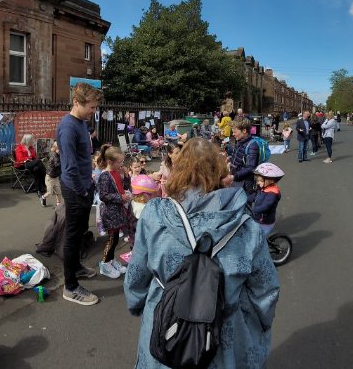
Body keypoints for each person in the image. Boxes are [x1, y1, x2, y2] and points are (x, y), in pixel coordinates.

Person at [123, 137, 279, 367]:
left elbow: (136, 275)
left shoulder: (154, 215)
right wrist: (262, 324)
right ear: (220, 172)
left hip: (167, 324)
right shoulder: (246, 226)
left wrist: (139, 304)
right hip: (222, 331)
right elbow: (266, 290)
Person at [57, 82, 102, 306]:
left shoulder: (81, 123)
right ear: (77, 103)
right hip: (76, 190)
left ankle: (75, 267)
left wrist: (90, 180)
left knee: (81, 230)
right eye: (91, 107)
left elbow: (84, 157)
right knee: (73, 236)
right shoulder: (68, 127)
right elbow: (69, 167)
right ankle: (70, 286)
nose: (94, 111)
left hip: (84, 186)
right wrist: (83, 190)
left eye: (95, 107)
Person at [94, 145, 134, 279]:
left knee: (116, 239)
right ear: (110, 162)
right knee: (112, 239)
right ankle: (105, 264)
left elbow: (125, 187)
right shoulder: (105, 176)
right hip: (110, 213)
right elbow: (103, 196)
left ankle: (111, 261)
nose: (122, 164)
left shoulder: (117, 173)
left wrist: (127, 176)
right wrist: (120, 197)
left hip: (118, 211)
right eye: (120, 162)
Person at [226, 118, 260, 196]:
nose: (233, 134)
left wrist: (233, 177)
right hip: (237, 179)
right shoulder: (240, 141)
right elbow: (240, 156)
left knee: (243, 204)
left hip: (245, 183)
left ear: (244, 131)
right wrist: (230, 160)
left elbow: (250, 168)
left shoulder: (252, 145)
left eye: (235, 132)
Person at [251, 162, 284, 234]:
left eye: (260, 181)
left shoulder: (272, 194)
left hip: (264, 223)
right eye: (257, 180)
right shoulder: (263, 189)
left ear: (268, 181)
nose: (257, 183)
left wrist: (253, 210)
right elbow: (255, 197)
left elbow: (265, 206)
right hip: (258, 218)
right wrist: (244, 197)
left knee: (259, 241)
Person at [42, 140, 63, 207]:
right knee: (49, 193)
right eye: (58, 149)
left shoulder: (59, 155)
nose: (60, 150)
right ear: (55, 149)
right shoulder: (54, 156)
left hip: (55, 177)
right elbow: (57, 165)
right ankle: (43, 197)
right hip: (50, 177)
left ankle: (58, 204)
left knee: (58, 192)